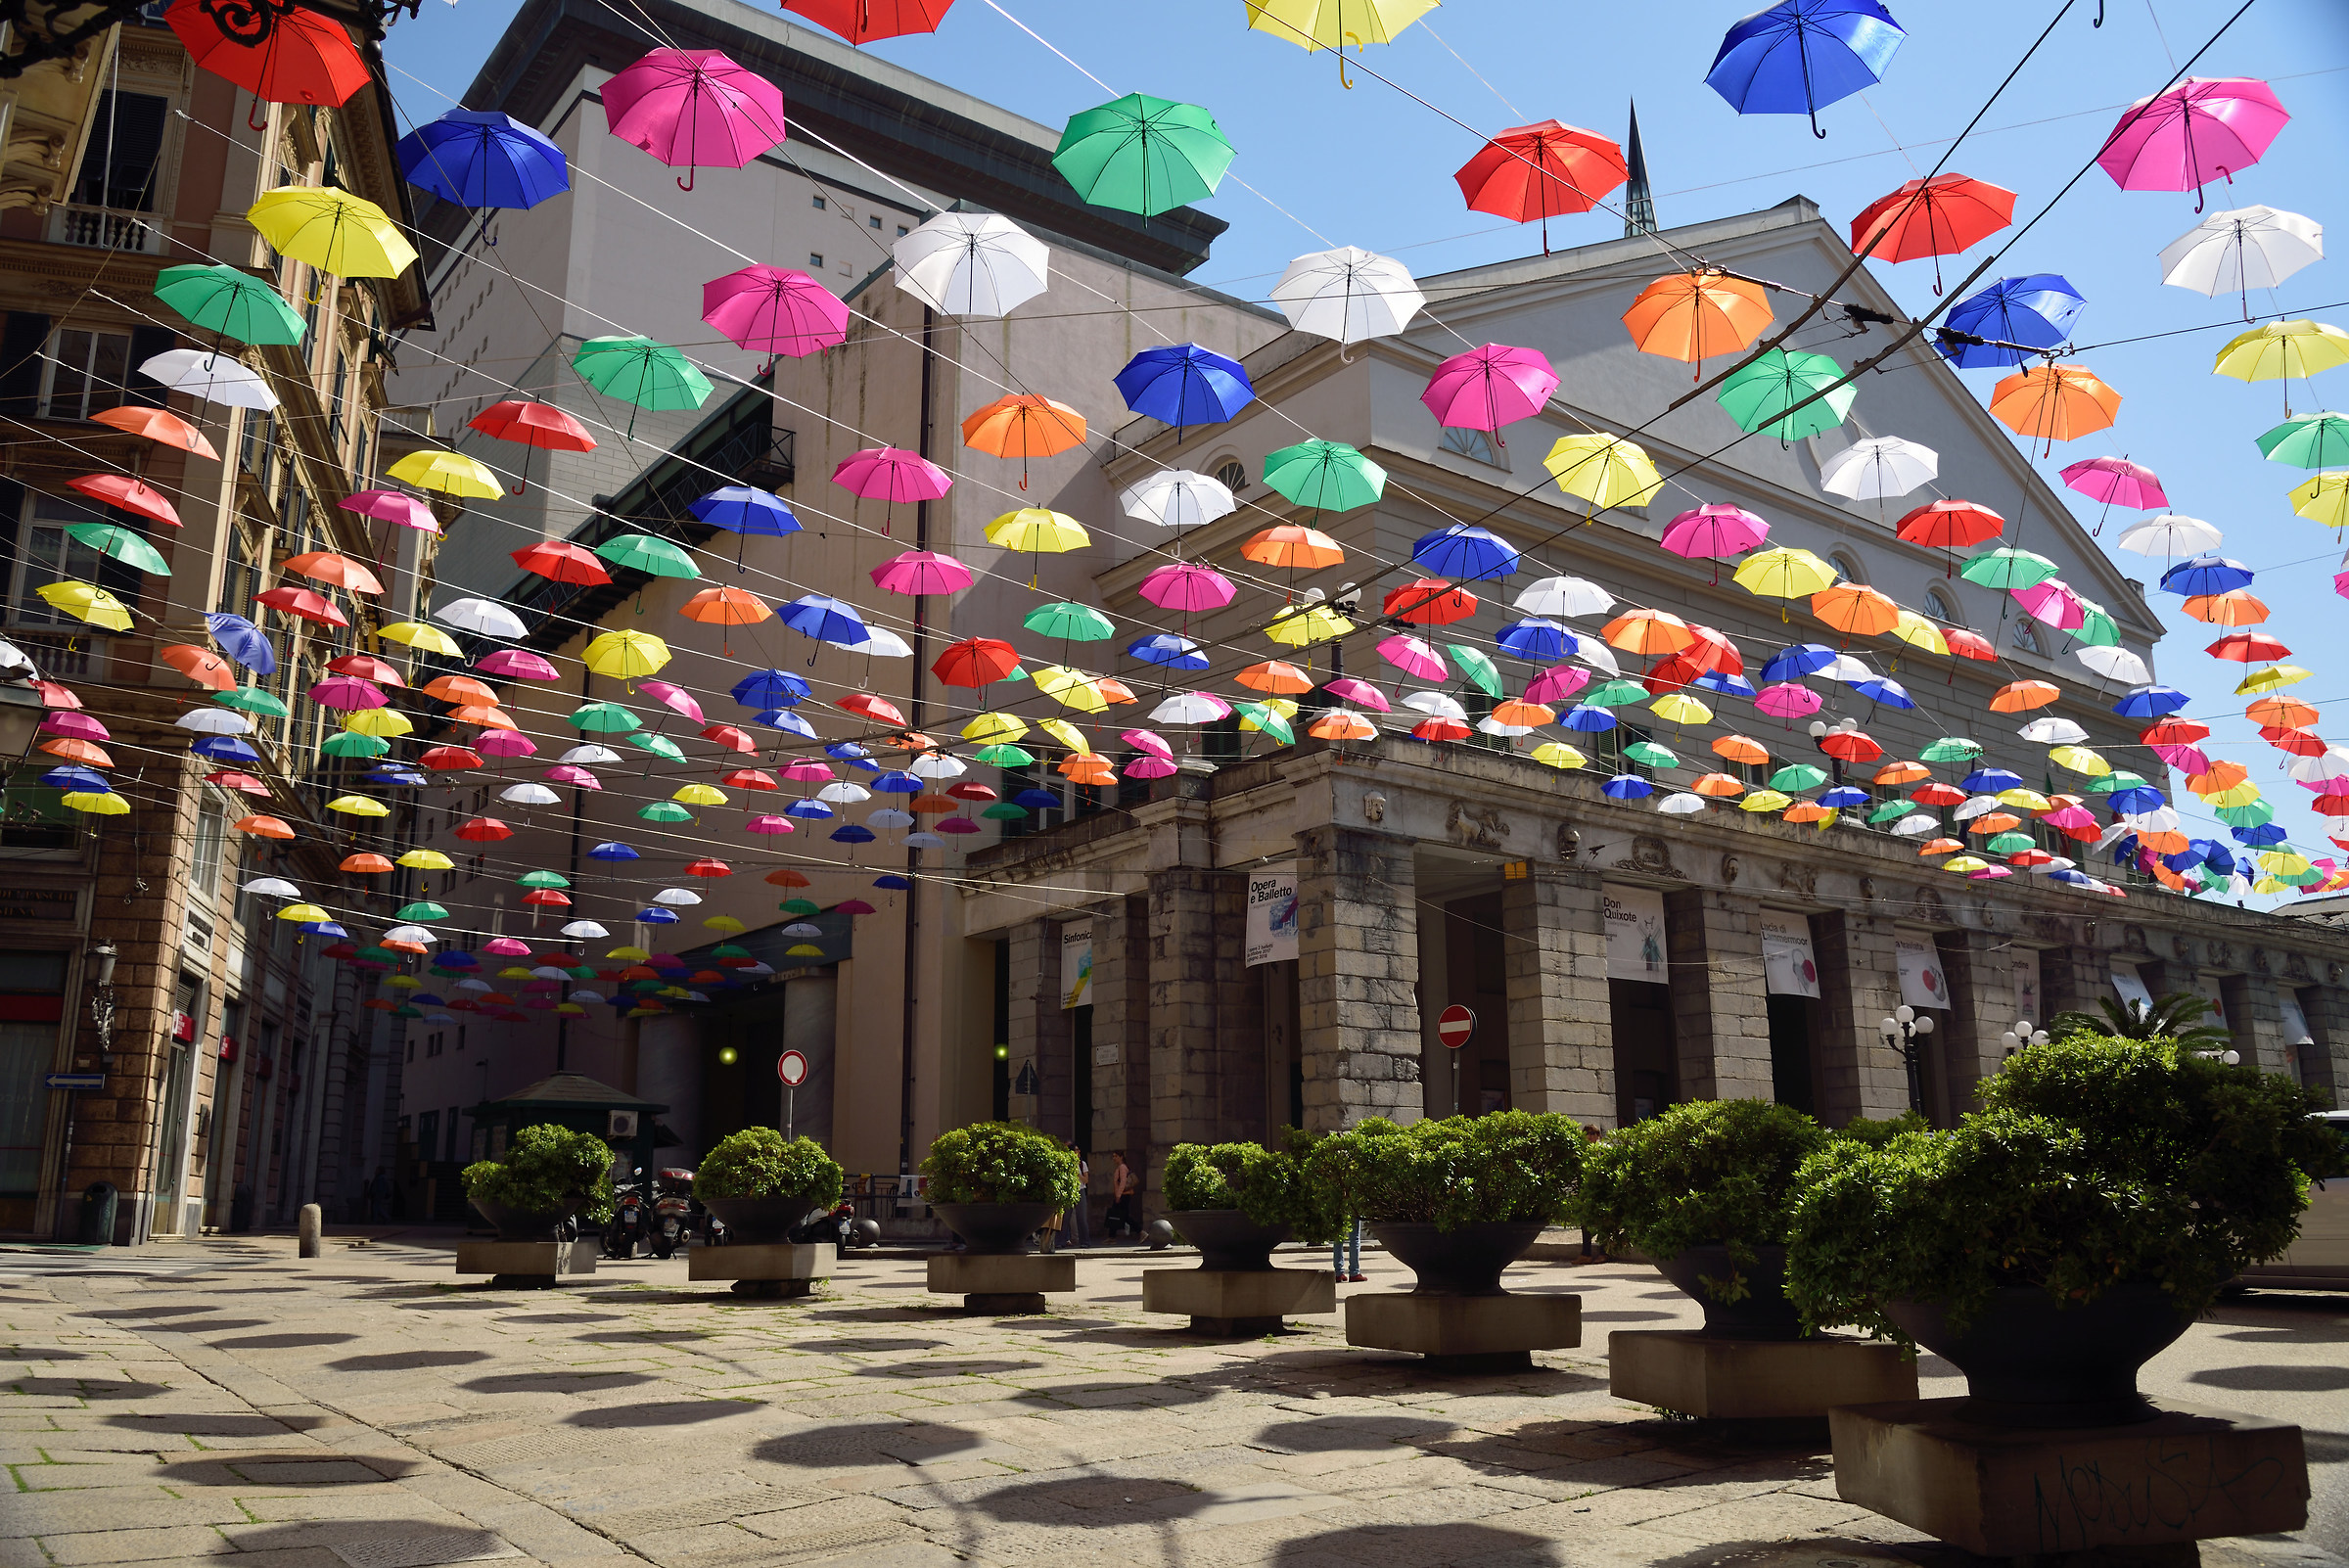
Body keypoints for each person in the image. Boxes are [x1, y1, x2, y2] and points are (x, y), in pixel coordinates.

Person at [1110, 1151, 1140, 1238]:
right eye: (1113, 1156)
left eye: (1116, 1156)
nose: (1114, 1158)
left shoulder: (1122, 1167)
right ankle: (1111, 1237)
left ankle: (1140, 1231)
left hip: (1124, 1195)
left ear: (1121, 1157)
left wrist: (1118, 1196)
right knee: (1115, 1214)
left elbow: (1123, 1182)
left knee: (1122, 1216)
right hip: (1122, 1195)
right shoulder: (1120, 1167)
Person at [1069, 1150, 1091, 1248]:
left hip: (1080, 1189)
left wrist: (1078, 1174)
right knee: (1066, 1218)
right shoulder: (1067, 1163)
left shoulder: (1082, 1164)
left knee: (1081, 1217)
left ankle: (1085, 1241)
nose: (1076, 1152)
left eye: (1077, 1151)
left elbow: (1086, 1180)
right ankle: (1061, 1241)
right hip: (1069, 1190)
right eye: (1074, 1151)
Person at [1332, 1216, 1363, 1283]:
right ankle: (1354, 1272)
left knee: (1338, 1238)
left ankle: (1338, 1273)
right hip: (1352, 1208)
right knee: (1354, 1239)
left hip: (1339, 1207)